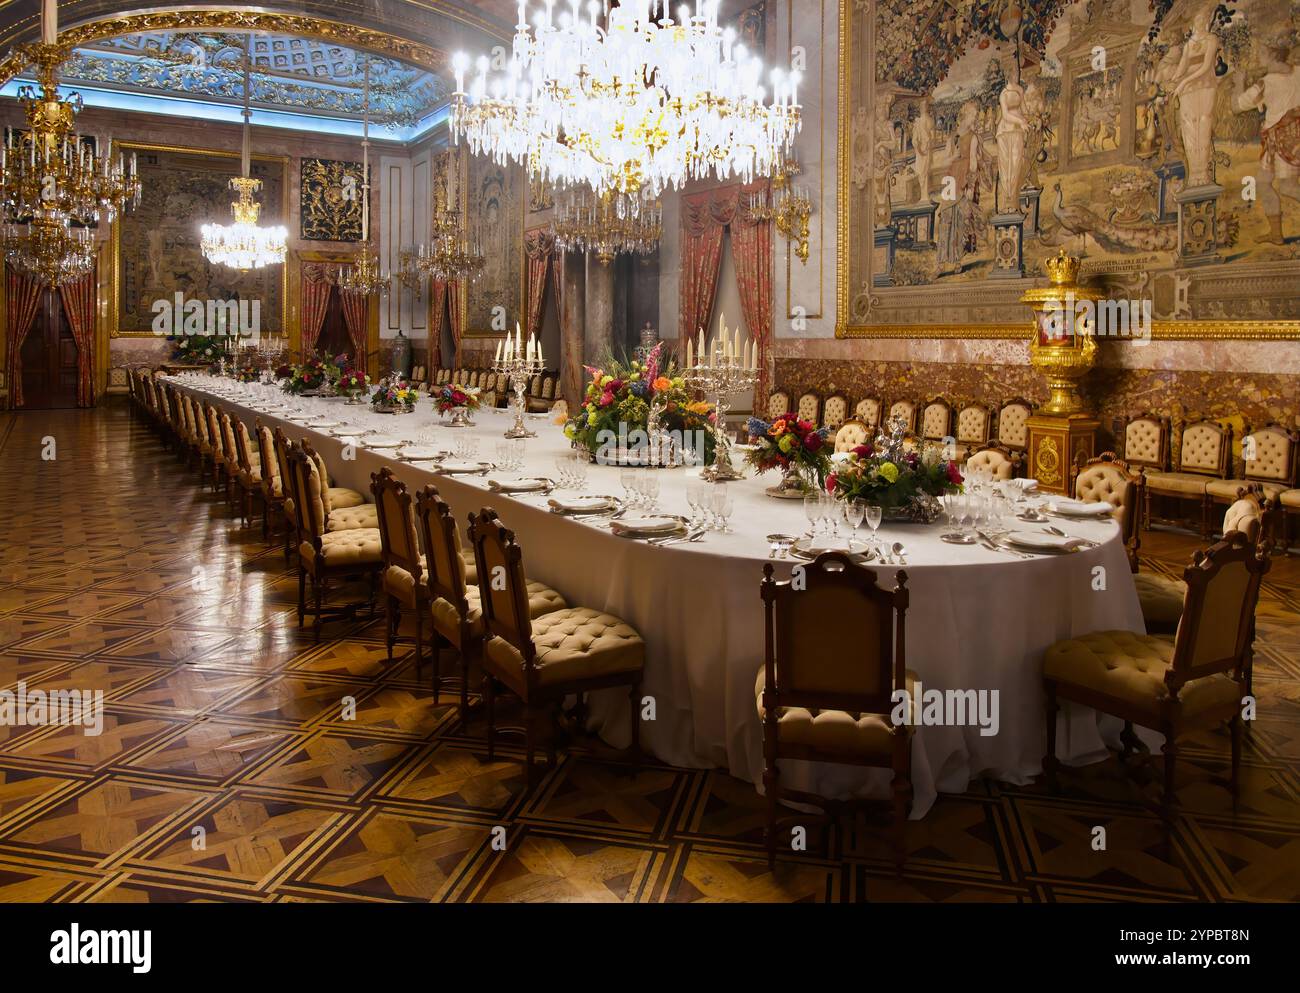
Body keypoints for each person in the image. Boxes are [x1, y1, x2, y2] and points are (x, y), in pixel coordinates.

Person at [1232, 41, 1300, 244]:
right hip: (1288, 138)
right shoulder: (1298, 71)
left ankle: (1276, 234)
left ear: (1271, 54)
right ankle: (1276, 234)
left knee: (1288, 187)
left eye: (1261, 52)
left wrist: (1239, 82)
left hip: (1282, 141)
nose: (1258, 56)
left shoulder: (1265, 83)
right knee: (1263, 182)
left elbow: (1236, 106)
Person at [1169, 6, 1222, 186]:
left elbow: (1206, 67)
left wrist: (1184, 82)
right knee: (1189, 126)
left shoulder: (1211, 39)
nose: (1201, 22)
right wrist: (1172, 80)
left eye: (1203, 18)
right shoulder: (1189, 45)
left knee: (1204, 124)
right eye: (1198, 19)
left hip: (1205, 85)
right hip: (1188, 91)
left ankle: (1204, 173)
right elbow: (1181, 68)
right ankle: (1194, 174)